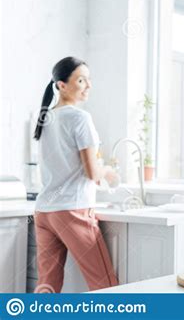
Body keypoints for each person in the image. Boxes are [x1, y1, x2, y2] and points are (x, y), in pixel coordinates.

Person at [33, 57, 119, 292]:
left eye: (89, 79)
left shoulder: (45, 117)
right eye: (81, 80)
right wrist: (109, 172)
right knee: (106, 287)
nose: (88, 85)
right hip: (73, 210)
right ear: (61, 85)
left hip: (44, 212)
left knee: (47, 286)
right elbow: (92, 172)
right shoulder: (80, 117)